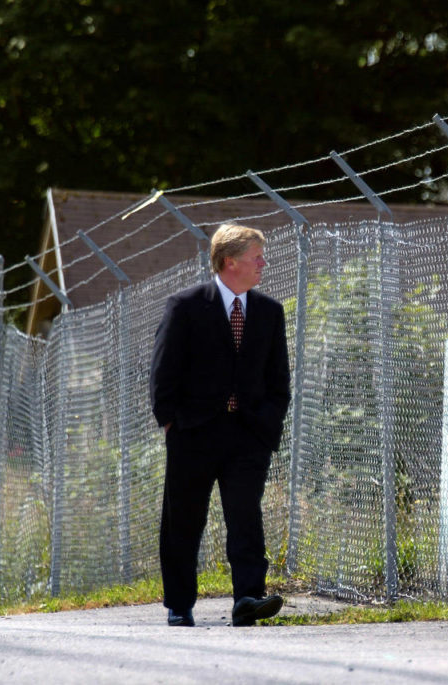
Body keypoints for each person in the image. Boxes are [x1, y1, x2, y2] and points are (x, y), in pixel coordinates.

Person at [149, 223, 291, 627]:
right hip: (193, 433)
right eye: (256, 257)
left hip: (248, 436)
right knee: (184, 520)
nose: (263, 263)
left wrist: (267, 423)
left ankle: (248, 597)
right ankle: (179, 603)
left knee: (245, 516)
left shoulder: (269, 311)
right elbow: (163, 373)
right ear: (230, 262)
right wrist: (172, 424)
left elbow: (279, 381)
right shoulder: (186, 306)